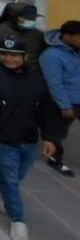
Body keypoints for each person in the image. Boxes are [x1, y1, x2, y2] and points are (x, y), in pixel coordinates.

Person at [0, 36, 57, 240]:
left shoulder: (36, 77)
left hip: (28, 140)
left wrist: (49, 137)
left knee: (16, 175)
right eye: (4, 54)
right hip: (1, 139)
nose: (8, 59)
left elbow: (46, 110)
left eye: (14, 55)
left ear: (25, 57)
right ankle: (18, 220)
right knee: (10, 182)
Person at [41, 20, 80, 177]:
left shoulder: (76, 50)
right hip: (63, 101)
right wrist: (65, 106)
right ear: (67, 37)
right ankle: (54, 159)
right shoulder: (51, 56)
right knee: (55, 134)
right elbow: (54, 84)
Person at [0, 3, 46, 69]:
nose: (31, 21)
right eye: (25, 18)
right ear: (15, 18)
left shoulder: (38, 35)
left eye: (33, 18)